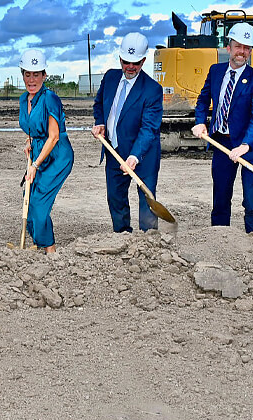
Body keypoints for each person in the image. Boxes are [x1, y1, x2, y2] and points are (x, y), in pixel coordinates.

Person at [191, 23, 253, 235]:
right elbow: (203, 100)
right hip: (222, 142)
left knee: (251, 199)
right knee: (221, 195)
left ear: (250, 51)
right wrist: (200, 121)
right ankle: (220, 238)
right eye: (238, 46)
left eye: (247, 48)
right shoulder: (215, 71)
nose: (242, 52)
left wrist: (245, 145)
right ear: (229, 48)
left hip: (249, 146)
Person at [91, 32, 163, 232]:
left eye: (136, 63)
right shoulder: (110, 77)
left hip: (143, 155)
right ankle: (122, 234)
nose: (130, 67)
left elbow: (149, 128)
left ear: (143, 61)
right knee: (115, 197)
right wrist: (100, 123)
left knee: (147, 199)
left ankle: (149, 240)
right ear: (120, 58)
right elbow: (99, 104)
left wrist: (134, 156)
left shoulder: (152, 90)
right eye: (126, 62)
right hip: (114, 150)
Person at [18, 48, 74, 254]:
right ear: (22, 74)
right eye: (27, 74)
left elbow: (54, 136)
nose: (31, 79)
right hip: (39, 150)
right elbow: (32, 128)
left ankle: (50, 250)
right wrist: (29, 141)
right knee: (28, 195)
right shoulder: (23, 99)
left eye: (36, 74)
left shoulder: (50, 98)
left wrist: (35, 165)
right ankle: (39, 242)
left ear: (44, 75)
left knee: (39, 201)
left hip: (58, 155)